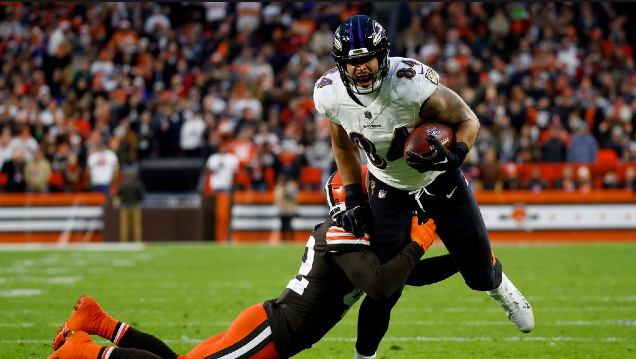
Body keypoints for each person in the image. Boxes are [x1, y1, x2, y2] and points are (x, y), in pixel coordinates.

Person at [48, 172, 457, 359]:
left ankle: (97, 321)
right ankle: (80, 351)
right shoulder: (341, 233)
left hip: (267, 328)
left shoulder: (358, 238)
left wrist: (462, 260)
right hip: (271, 334)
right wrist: (420, 241)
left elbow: (407, 274)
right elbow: (384, 284)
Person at [315, 15, 534, 358]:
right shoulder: (331, 95)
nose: (360, 68)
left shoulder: (410, 84)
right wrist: (355, 198)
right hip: (388, 185)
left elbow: (468, 120)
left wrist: (455, 155)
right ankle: (364, 355)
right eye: (352, 61)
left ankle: (495, 279)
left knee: (478, 276)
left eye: (366, 58)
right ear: (341, 64)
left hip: (438, 179)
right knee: (386, 285)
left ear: (382, 55)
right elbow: (343, 147)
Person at [115, 167, 146, 242]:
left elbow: (118, 195)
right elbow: (142, 196)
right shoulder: (137, 184)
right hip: (135, 206)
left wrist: (120, 202)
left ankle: (124, 242)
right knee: (136, 226)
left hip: (124, 207)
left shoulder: (122, 184)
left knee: (124, 226)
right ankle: (137, 241)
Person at [273, 174, 298, 242]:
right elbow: (277, 199)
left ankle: (292, 240)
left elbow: (292, 196)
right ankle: (283, 240)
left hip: (289, 209)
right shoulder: (278, 187)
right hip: (282, 209)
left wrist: (286, 190)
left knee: (289, 225)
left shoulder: (290, 186)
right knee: (283, 226)